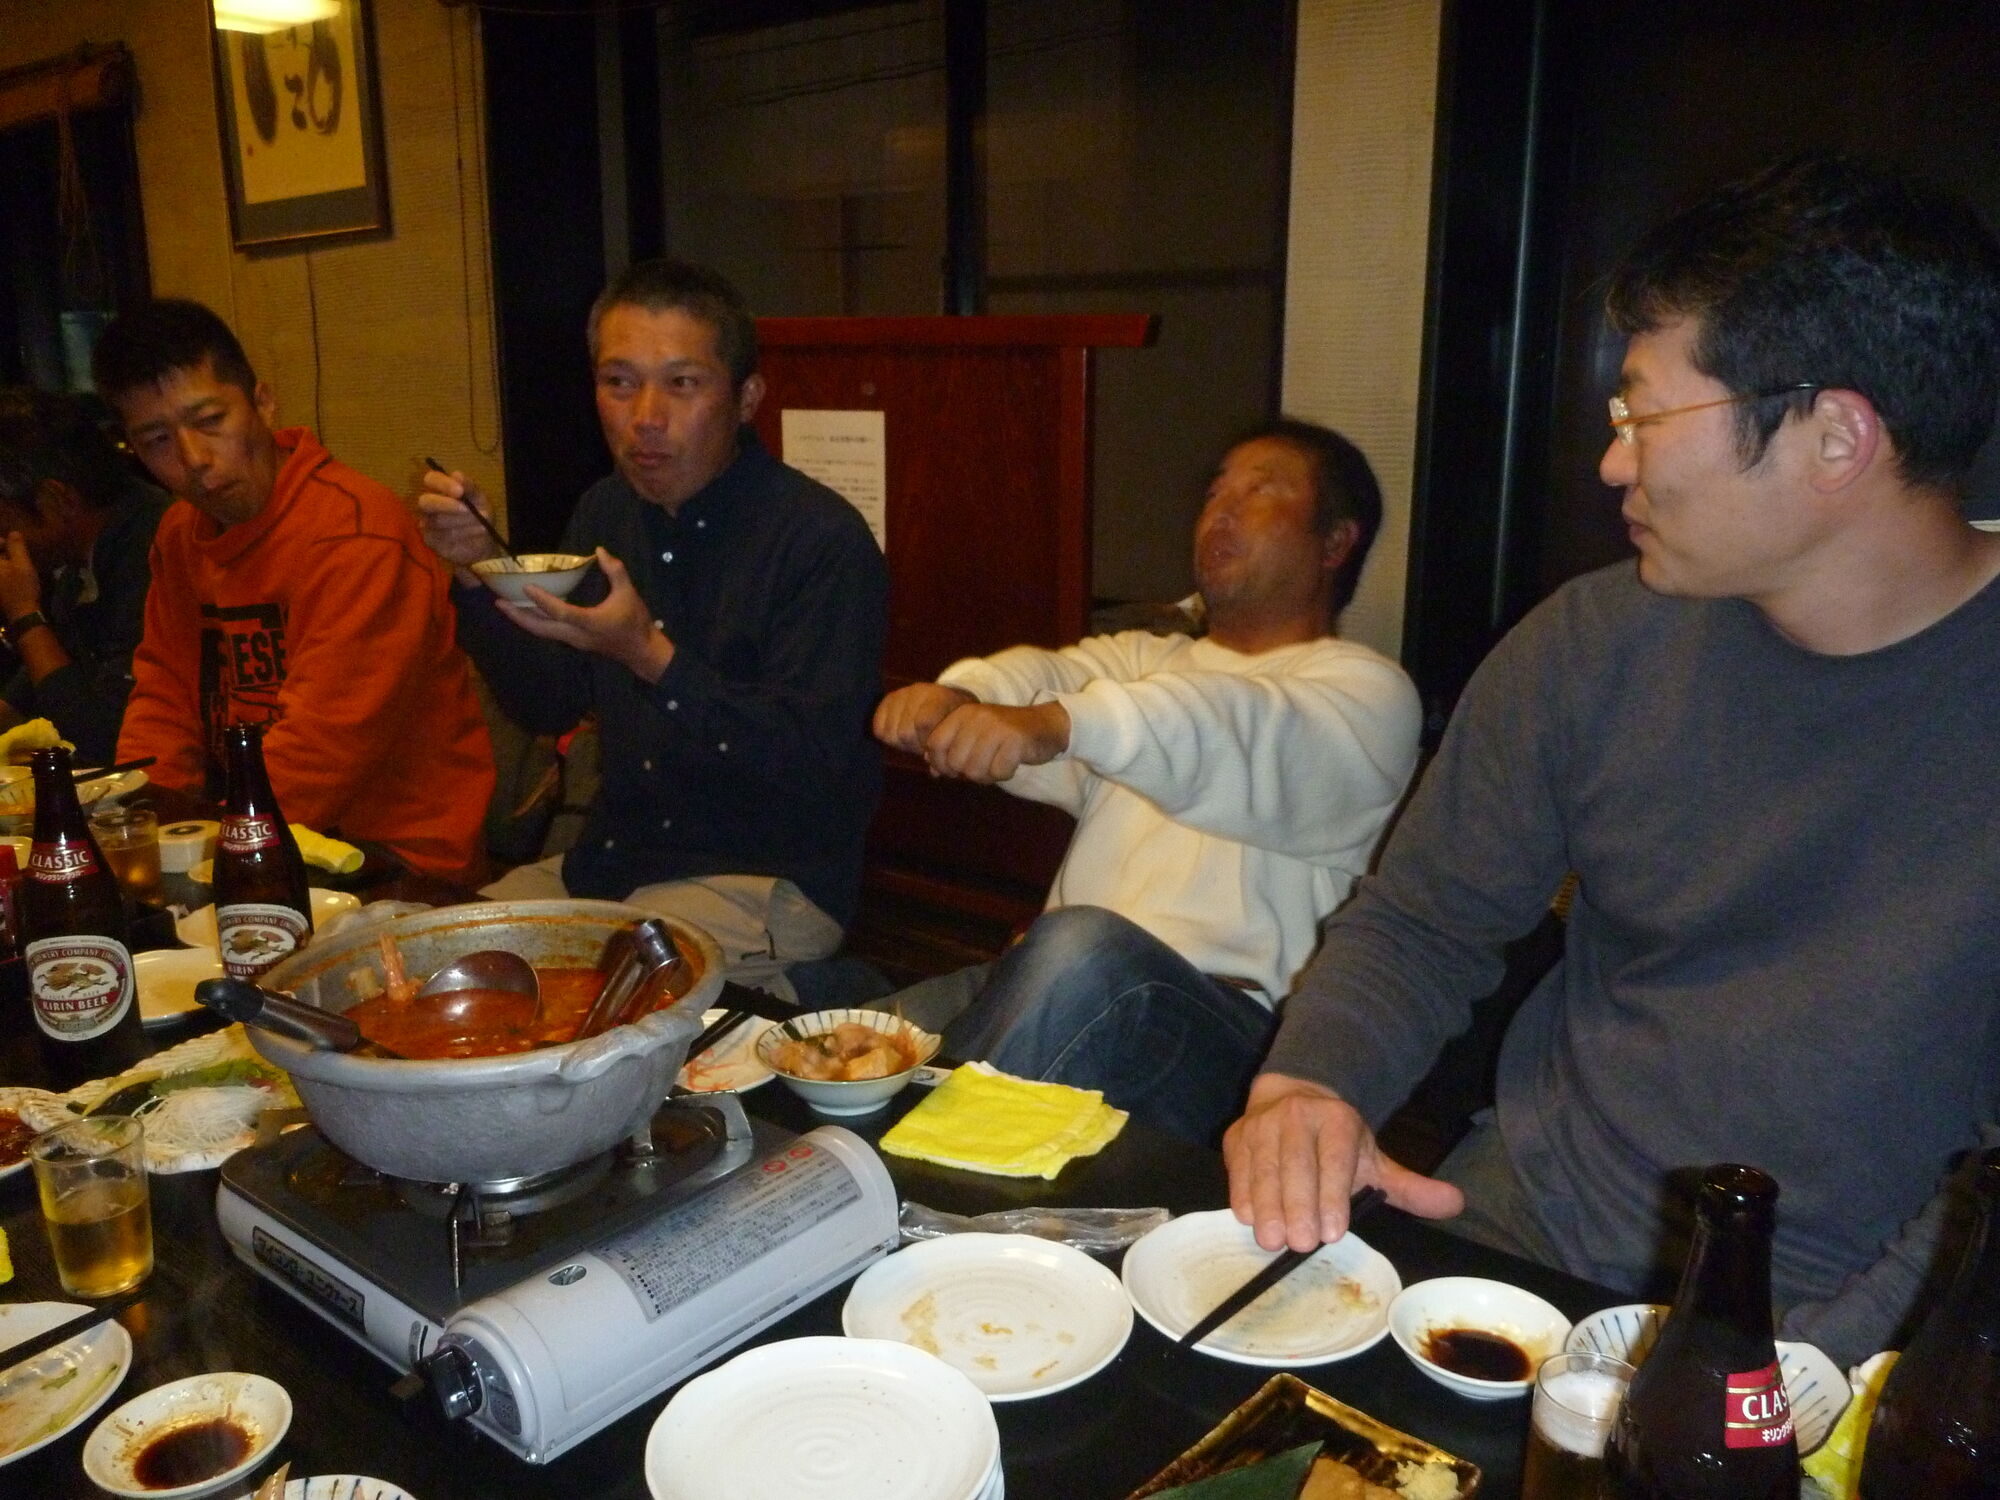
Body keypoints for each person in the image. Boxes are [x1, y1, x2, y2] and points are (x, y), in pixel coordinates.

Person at [1223, 154, 2000, 1367]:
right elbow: (1425, 920)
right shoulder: (1597, 639)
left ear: (1834, 437)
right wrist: (1308, 1086)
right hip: (1525, 1215)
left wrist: (1784, 1385)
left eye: (1645, 417)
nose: (1612, 462)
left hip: (1840, 1321)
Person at [874, 420, 1421, 1145]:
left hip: (1227, 1038)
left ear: (1335, 542)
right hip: (1058, 981)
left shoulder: (1369, 695)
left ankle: (915, 1187)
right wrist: (961, 696)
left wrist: (1059, 722)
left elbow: (1227, 726)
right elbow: (1054, 675)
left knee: (1083, 951)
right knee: (844, 1042)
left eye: (1261, 491)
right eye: (1216, 492)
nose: (1222, 510)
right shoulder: (1147, 663)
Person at [417, 259, 888, 994]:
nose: (646, 416)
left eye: (682, 383)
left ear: (746, 398)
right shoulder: (606, 510)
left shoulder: (821, 539)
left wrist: (650, 656)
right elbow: (548, 703)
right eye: (619, 382)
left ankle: (823, 990)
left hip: (766, 880)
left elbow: (810, 764)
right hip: (614, 866)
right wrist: (478, 569)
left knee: (586, 1003)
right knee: (433, 965)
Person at [96, 300, 494, 876]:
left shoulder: (356, 532)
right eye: (157, 440)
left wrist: (206, 856)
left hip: (395, 858)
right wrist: (141, 819)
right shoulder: (180, 534)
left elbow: (321, 754)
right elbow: (163, 696)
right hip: (259, 828)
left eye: (210, 421)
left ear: (262, 401)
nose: (194, 459)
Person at [0, 388, 168, 763]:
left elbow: (100, 739)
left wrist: (24, 612)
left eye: (3, 520)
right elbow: (27, 693)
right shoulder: (81, 559)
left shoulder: (153, 549)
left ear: (57, 500)